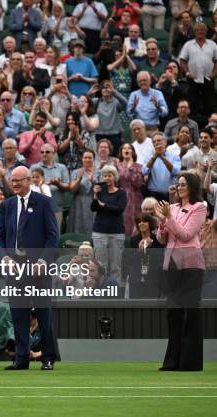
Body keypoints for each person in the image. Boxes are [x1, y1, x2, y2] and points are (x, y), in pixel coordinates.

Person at [0, 166, 59, 370]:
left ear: (29, 180)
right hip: (14, 268)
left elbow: (52, 236)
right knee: (18, 313)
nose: (14, 184)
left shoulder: (44, 202)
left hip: (38, 267)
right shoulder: (7, 205)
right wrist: (4, 257)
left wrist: (43, 261)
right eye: (12, 180)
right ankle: (21, 358)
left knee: (43, 312)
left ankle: (48, 357)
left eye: (18, 180)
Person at [155, 172, 206, 371]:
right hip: (172, 265)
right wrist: (161, 223)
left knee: (190, 313)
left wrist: (168, 218)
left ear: (192, 187)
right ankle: (172, 362)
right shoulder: (173, 207)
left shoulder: (199, 207)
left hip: (191, 266)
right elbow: (162, 239)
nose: (180, 187)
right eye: (179, 184)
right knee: (173, 314)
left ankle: (189, 363)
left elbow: (185, 235)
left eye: (184, 184)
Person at [91, 164, 127, 288]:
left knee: (115, 266)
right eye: (105, 175)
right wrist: (95, 196)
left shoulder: (121, 193)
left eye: (110, 175)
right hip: (100, 232)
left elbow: (119, 209)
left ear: (115, 177)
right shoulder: (100, 192)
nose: (107, 178)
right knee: (101, 265)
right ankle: (101, 291)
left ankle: (115, 293)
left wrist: (104, 205)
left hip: (116, 233)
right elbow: (93, 208)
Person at [179, 23, 217, 126]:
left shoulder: (213, 45)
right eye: (198, 30)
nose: (200, 32)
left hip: (208, 79)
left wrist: (213, 74)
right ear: (194, 32)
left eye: (202, 30)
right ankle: (191, 126)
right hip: (193, 80)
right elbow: (182, 61)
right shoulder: (188, 45)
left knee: (210, 105)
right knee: (192, 105)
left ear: (206, 32)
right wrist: (187, 73)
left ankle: (211, 126)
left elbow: (216, 61)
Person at [123, 213, 163, 299]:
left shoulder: (157, 240)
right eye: (139, 222)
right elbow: (130, 261)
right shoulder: (133, 240)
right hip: (136, 279)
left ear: (150, 223)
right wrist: (139, 251)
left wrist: (149, 248)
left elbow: (160, 259)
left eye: (144, 221)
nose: (141, 223)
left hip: (153, 279)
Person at [142, 132, 181, 202]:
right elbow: (144, 171)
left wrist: (162, 157)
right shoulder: (149, 157)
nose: (156, 143)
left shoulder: (174, 156)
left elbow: (175, 172)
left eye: (159, 140)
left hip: (171, 195)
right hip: (153, 195)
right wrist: (155, 156)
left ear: (165, 142)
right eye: (154, 142)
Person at [117, 143, 144, 236]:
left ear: (132, 152)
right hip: (121, 197)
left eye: (129, 148)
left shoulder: (139, 166)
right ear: (121, 152)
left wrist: (131, 167)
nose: (126, 150)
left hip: (135, 198)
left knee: (134, 221)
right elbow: (116, 183)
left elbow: (138, 183)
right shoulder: (117, 166)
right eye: (124, 148)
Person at [68, 149, 96, 234]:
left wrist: (93, 181)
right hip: (78, 203)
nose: (87, 160)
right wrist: (79, 179)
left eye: (90, 158)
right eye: (85, 157)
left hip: (93, 203)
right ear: (82, 159)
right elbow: (72, 189)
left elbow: (101, 192)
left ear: (94, 159)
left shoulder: (99, 172)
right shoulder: (76, 172)